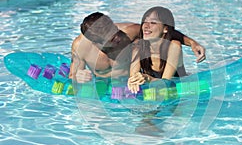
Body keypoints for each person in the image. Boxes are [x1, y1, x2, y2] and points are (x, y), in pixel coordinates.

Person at [70, 12, 205, 83]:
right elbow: (73, 75)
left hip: (134, 84)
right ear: (95, 43)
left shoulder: (130, 31)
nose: (118, 37)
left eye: (115, 31)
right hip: (105, 87)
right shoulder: (80, 47)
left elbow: (163, 31)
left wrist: (192, 43)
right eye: (112, 39)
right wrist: (78, 76)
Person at [127, 6, 187, 93]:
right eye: (145, 22)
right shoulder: (138, 48)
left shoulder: (174, 46)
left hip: (179, 91)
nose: (146, 26)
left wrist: (148, 78)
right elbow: (133, 78)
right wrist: (133, 81)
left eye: (153, 22)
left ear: (165, 29)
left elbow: (166, 83)